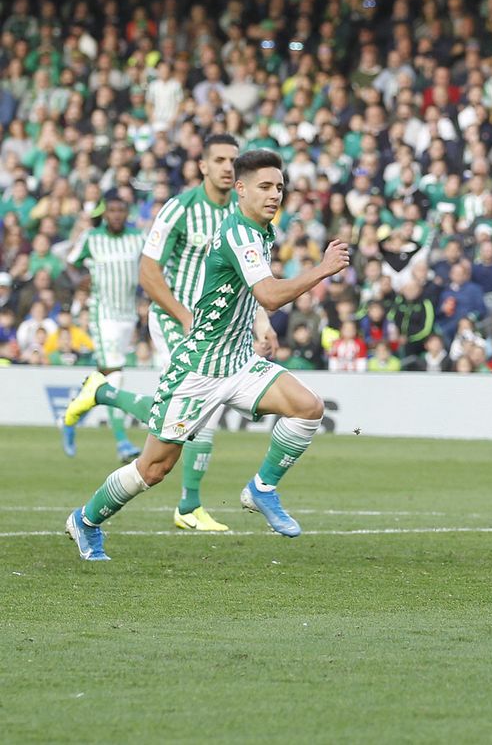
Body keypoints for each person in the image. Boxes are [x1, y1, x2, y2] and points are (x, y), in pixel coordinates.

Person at [63, 150, 351, 561]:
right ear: (241, 189)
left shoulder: (261, 230)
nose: (275, 195)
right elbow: (268, 294)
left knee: (308, 407)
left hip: (238, 360)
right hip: (199, 368)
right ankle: (86, 520)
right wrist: (322, 269)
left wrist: (260, 328)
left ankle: (261, 489)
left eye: (280, 187)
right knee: (154, 469)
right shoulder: (239, 233)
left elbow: (252, 296)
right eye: (265, 187)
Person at [63, 134, 241, 531]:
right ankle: (188, 506)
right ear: (203, 166)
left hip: (213, 327)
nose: (229, 167)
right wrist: (181, 314)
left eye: (234, 160)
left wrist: (259, 323)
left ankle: (103, 392)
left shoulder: (239, 214)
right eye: (220, 159)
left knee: (196, 412)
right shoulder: (180, 209)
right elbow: (149, 271)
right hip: (172, 318)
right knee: (195, 407)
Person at [59, 198, 144, 462]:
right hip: (102, 313)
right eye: (112, 210)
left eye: (121, 209)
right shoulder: (91, 238)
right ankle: (122, 442)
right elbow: (70, 263)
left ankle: (70, 418)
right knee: (115, 374)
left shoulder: (138, 238)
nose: (117, 214)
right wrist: (77, 280)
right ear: (105, 213)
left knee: (104, 376)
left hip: (128, 315)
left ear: (126, 212)